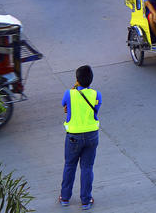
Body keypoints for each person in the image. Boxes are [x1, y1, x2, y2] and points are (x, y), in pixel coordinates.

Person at [59, 65, 101, 210]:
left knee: (70, 165)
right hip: (92, 136)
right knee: (87, 167)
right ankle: (86, 201)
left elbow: (64, 106)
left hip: (73, 137)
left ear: (77, 80)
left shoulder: (68, 94)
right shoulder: (97, 94)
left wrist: (74, 87)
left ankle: (65, 198)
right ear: (91, 80)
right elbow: (96, 109)